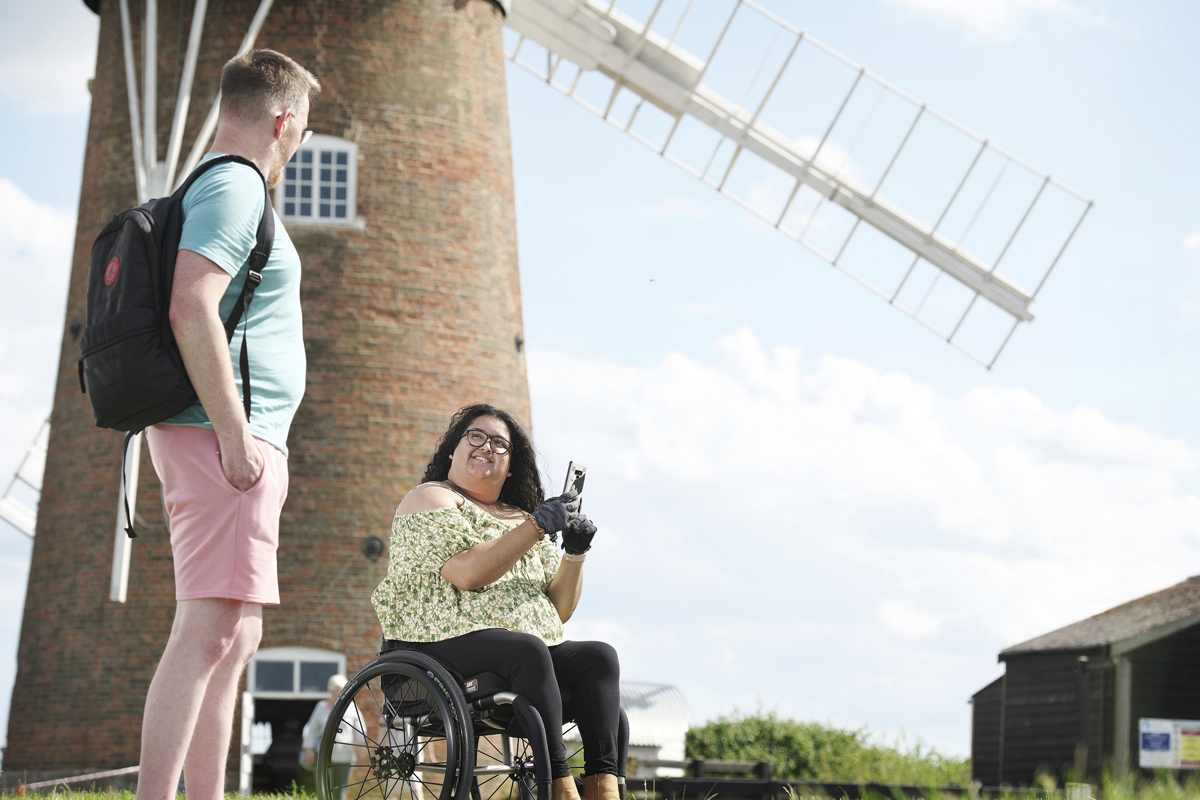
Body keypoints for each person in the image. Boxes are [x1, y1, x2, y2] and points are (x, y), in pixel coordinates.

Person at [137, 49, 320, 800]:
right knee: (208, 631)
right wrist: (237, 434)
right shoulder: (236, 186)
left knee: (237, 635)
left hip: (231, 435)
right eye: (303, 129)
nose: (301, 143)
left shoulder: (225, 187)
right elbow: (191, 304)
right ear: (283, 121)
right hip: (220, 437)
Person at [371, 403, 625, 800]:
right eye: (475, 436)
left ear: (511, 468)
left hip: (521, 649)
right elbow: (467, 575)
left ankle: (603, 786)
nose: (486, 446)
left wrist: (574, 553)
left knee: (600, 657)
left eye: (500, 444)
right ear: (453, 450)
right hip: (437, 643)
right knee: (526, 648)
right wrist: (537, 526)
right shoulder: (431, 500)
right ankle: (559, 785)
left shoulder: (521, 517)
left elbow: (556, 612)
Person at [301, 674, 361, 799]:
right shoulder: (321, 707)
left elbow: (360, 731)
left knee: (341, 791)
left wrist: (362, 748)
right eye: (338, 689)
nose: (341, 692)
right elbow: (311, 730)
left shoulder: (352, 708)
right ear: (331, 691)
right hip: (324, 757)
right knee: (324, 789)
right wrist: (308, 749)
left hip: (346, 757)